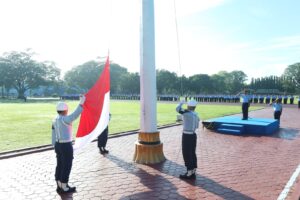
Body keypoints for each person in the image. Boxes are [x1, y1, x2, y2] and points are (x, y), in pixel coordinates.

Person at [51, 95, 86, 193]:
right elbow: (75, 114)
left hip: (58, 145)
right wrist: (81, 102)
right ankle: (64, 186)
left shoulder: (55, 119)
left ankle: (59, 184)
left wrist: (54, 145)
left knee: (59, 164)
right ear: (65, 110)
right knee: (67, 165)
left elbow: (53, 134)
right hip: (66, 145)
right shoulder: (65, 119)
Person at [176, 99, 200, 179]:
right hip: (193, 135)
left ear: (188, 106)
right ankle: (193, 171)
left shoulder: (186, 113)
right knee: (192, 153)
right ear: (195, 107)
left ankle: (189, 172)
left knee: (186, 153)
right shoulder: (196, 114)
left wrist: (181, 103)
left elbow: (177, 109)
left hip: (187, 135)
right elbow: (197, 126)